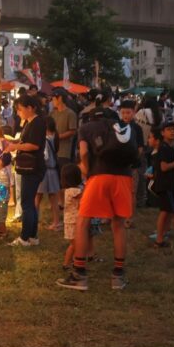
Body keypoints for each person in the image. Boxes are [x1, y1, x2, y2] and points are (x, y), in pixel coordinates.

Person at [57, 106, 138, 291]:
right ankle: (118, 276)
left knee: (83, 221)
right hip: (123, 178)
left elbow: (84, 153)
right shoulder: (122, 126)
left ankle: (79, 274)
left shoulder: (87, 128)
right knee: (118, 225)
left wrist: (88, 170)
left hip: (99, 176)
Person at [4, 95, 46, 247]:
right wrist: (16, 143)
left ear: (30, 108)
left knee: (27, 203)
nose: (19, 113)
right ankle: (33, 236)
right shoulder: (30, 122)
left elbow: (34, 145)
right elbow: (27, 142)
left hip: (33, 168)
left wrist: (16, 147)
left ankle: (24, 237)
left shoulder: (37, 123)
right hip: (30, 167)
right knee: (30, 203)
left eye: (20, 110)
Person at [148, 124, 174, 249]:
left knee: (165, 212)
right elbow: (164, 167)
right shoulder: (165, 148)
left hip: (166, 185)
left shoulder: (167, 147)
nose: (172, 132)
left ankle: (159, 240)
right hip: (167, 186)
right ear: (162, 133)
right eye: (169, 130)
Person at [119, 100, 146, 220]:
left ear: (134, 112)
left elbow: (140, 147)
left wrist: (133, 159)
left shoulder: (137, 128)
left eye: (128, 112)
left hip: (133, 165)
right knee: (119, 191)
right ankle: (119, 213)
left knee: (132, 191)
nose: (125, 115)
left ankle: (129, 217)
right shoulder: (117, 126)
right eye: (123, 112)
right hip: (119, 164)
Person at [36, 117, 61, 230]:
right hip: (53, 171)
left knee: (37, 197)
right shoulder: (55, 137)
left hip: (44, 171)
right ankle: (56, 222)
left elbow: (44, 156)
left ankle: (33, 221)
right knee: (53, 199)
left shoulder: (45, 140)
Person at [61, 163, 84, 271]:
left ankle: (72, 262)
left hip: (70, 222)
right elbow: (84, 195)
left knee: (75, 244)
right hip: (73, 222)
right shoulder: (75, 191)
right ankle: (67, 263)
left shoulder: (68, 190)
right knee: (75, 245)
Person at [50, 89, 77, 165]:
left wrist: (57, 137)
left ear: (60, 98)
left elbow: (72, 131)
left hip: (64, 152)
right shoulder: (52, 113)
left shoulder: (70, 113)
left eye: (54, 99)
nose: (52, 101)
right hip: (52, 150)